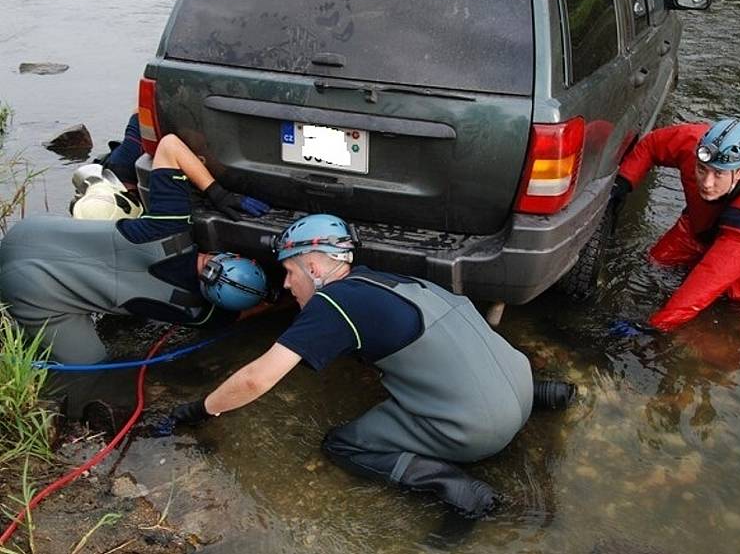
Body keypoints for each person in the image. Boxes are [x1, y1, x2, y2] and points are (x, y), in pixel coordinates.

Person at [167, 213, 575, 518]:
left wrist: (200, 409)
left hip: (482, 431)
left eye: (290, 273)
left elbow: (257, 379)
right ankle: (546, 393)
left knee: (342, 444)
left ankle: (459, 489)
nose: (287, 285)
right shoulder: (385, 280)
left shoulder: (332, 304)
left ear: (312, 266)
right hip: (518, 382)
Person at [0, 132, 271, 420]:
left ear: (227, 256)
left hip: (31, 232)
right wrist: (276, 303)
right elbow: (251, 313)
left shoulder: (170, 228)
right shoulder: (196, 313)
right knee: (91, 366)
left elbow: (169, 145)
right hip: (26, 290)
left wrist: (219, 194)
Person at [610, 118, 740, 332]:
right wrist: (625, 180)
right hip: (703, 218)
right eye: (702, 169)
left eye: (718, 174)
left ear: (739, 173)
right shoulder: (691, 141)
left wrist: (658, 324)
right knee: (657, 261)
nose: (707, 183)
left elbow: (710, 276)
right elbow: (653, 144)